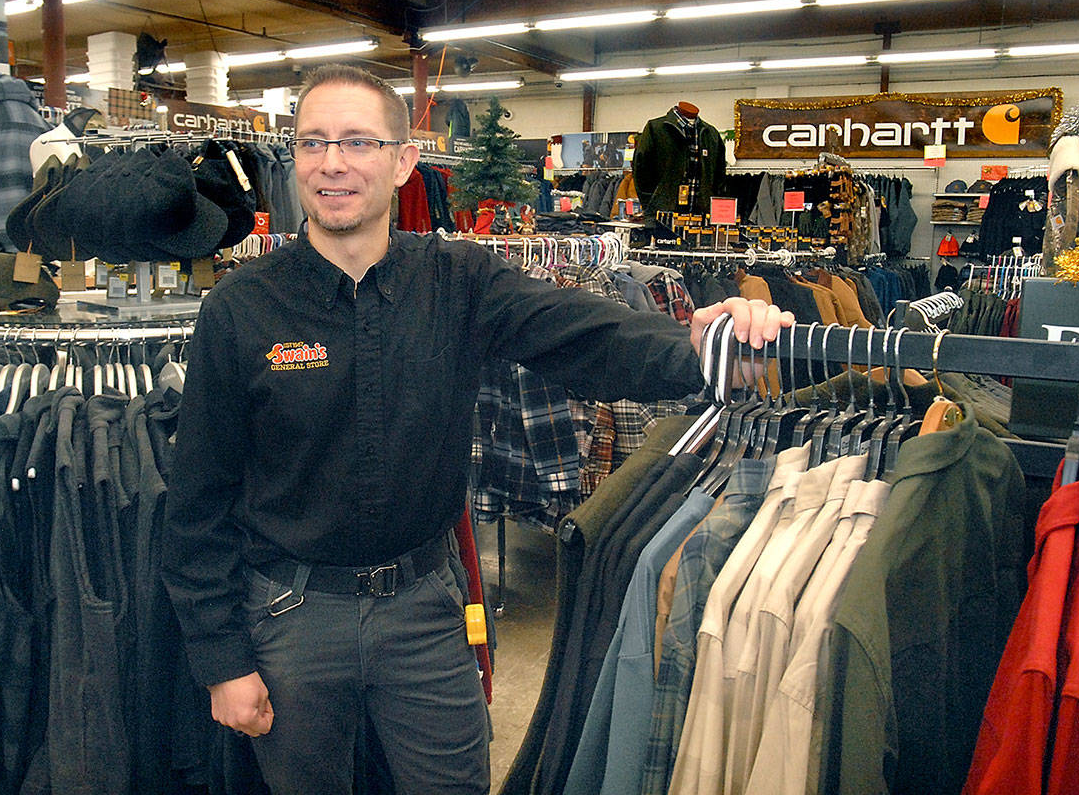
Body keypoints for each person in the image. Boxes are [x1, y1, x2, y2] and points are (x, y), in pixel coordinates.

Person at [161, 63, 793, 795]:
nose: (332, 163)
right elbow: (198, 502)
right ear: (294, 158)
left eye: (358, 142)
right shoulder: (241, 309)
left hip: (425, 610)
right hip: (293, 617)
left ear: (403, 163)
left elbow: (585, 335)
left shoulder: (460, 280)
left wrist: (701, 348)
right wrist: (222, 662)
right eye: (313, 143)